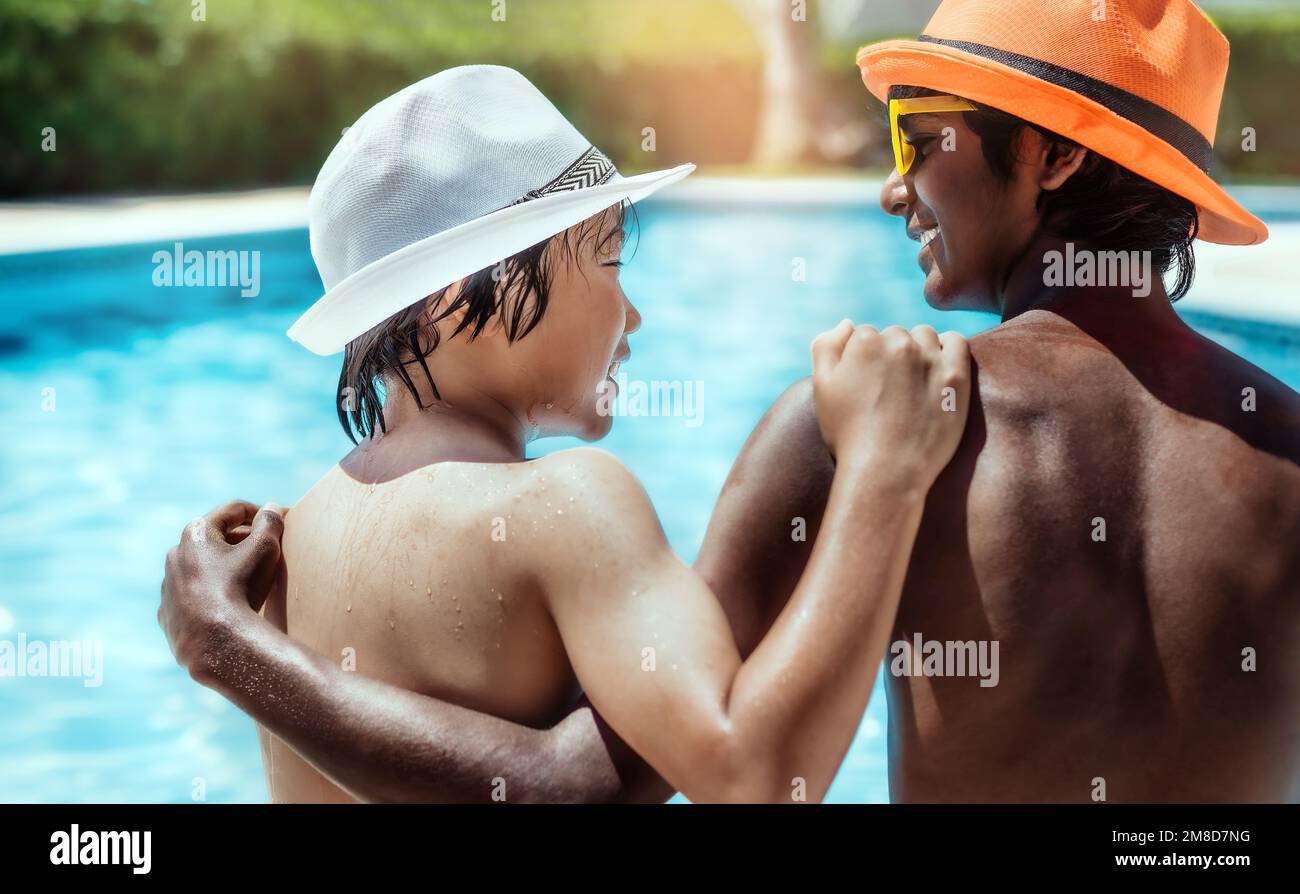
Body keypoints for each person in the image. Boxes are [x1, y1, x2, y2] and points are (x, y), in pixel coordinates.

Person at [161, 0, 1300, 803]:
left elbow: (617, 779)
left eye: (922, 134)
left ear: (1049, 158)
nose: (895, 182)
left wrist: (230, 646)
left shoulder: (864, 427)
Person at [160, 64, 972, 804]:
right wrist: (883, 467)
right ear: (459, 296)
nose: (634, 318)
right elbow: (752, 774)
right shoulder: (567, 501)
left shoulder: (289, 544)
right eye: (612, 261)